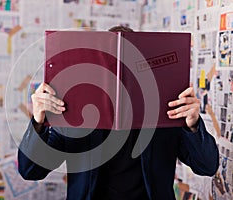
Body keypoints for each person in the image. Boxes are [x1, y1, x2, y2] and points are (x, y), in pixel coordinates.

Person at [18, 26, 219, 200]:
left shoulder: (164, 114)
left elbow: (207, 166)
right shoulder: (75, 115)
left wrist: (193, 125)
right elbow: (31, 170)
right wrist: (38, 121)